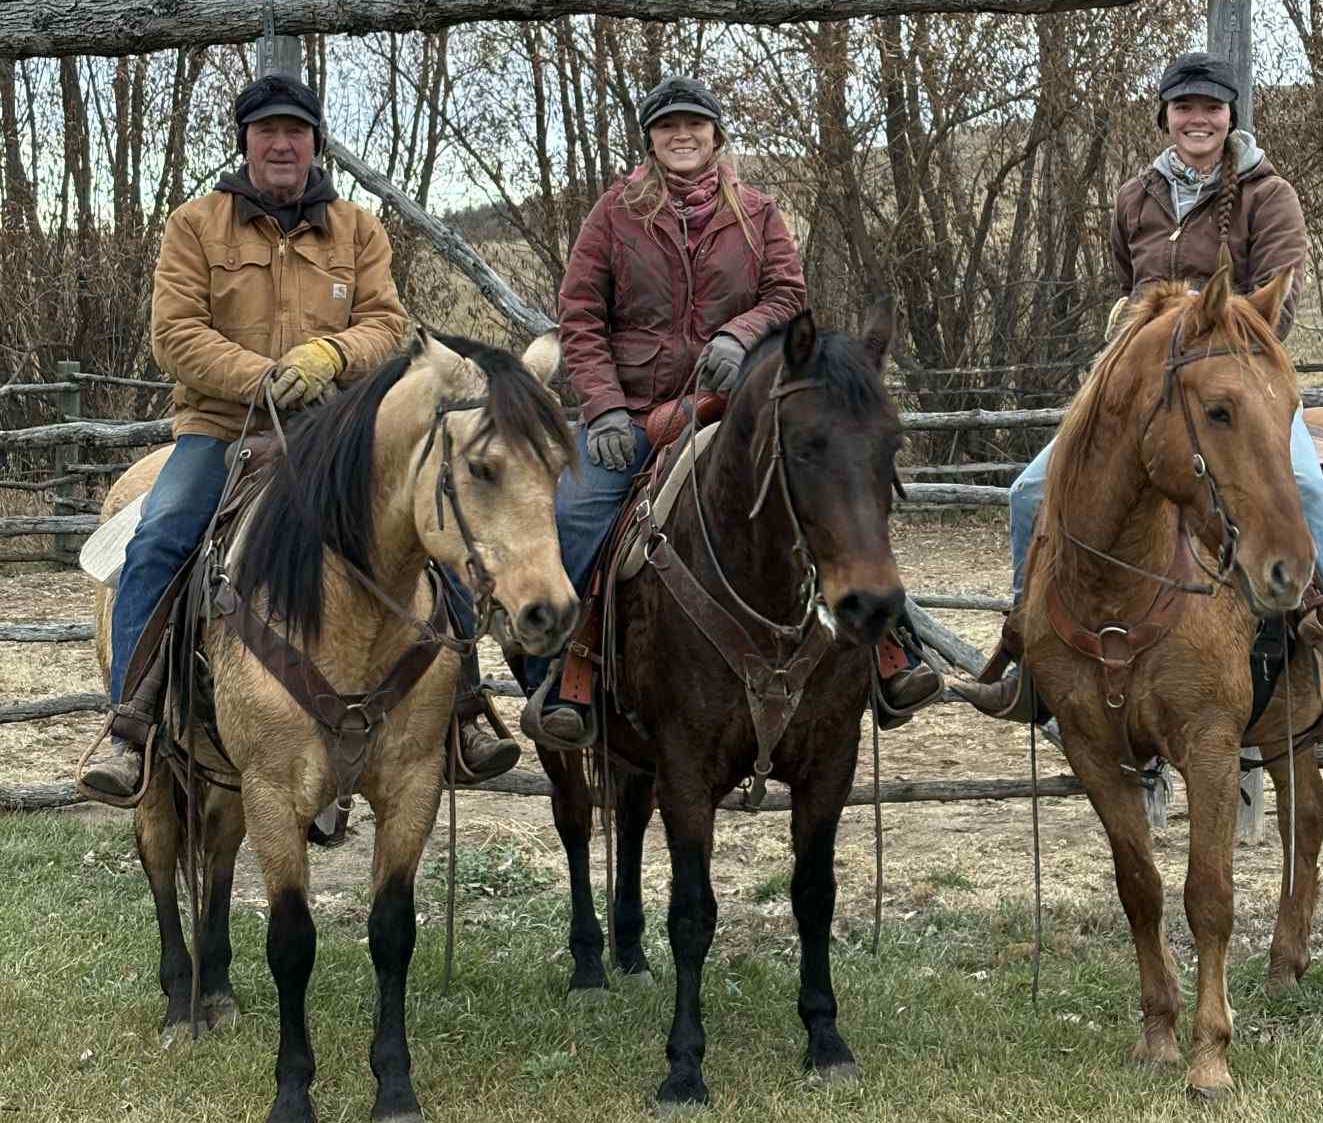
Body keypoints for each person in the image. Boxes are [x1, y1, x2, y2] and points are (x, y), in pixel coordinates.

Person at [81, 70, 514, 800]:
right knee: (158, 539)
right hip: (222, 428)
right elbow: (174, 333)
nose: (282, 144)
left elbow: (387, 323)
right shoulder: (196, 225)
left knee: (429, 534)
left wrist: (331, 357)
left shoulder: (356, 228)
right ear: (246, 142)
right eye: (267, 132)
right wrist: (263, 377)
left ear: (316, 143)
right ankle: (133, 723)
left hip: (339, 432)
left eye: (296, 132)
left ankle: (466, 710)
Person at [521, 72, 943, 745]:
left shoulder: (756, 211)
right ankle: (566, 672)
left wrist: (736, 336)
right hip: (634, 410)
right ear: (651, 140)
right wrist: (600, 408)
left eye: (695, 124)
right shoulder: (614, 214)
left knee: (833, 491)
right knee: (572, 515)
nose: (682, 136)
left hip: (732, 403)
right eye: (667, 127)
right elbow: (580, 317)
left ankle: (889, 650)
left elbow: (785, 293)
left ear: (717, 135)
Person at [1006, 50, 1323, 729]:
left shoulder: (1268, 195)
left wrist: (1208, 325)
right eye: (1184, 108)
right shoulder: (1135, 198)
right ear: (1164, 117)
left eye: (1211, 108)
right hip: (1146, 389)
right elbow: (1129, 287)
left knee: (1304, 486)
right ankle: (1027, 650)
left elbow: (1281, 299)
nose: (1198, 119)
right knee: (1030, 491)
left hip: (1237, 382)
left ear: (1229, 117)